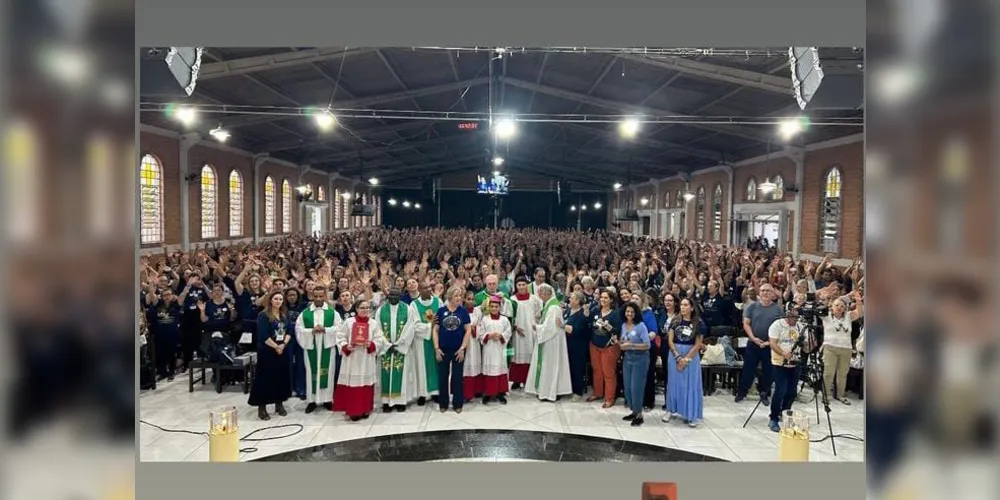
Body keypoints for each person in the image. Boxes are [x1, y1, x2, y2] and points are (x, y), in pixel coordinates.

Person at [334, 299, 388, 421]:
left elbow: (380, 339)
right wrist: (346, 346)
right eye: (362, 307)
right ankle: (353, 411)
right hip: (352, 358)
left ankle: (365, 409)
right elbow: (340, 337)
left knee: (366, 383)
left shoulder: (374, 323)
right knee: (353, 383)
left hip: (366, 358)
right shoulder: (349, 322)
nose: (365, 310)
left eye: (367, 307)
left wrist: (372, 344)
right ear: (356, 309)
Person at [294, 284, 341, 414]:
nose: (319, 299)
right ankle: (312, 400)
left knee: (328, 372)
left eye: (321, 296)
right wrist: (312, 331)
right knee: (311, 373)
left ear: (325, 296)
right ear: (312, 296)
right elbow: (298, 330)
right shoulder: (305, 313)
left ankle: (327, 400)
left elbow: (340, 328)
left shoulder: (333, 313)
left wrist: (325, 329)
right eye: (316, 296)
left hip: (327, 347)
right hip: (311, 348)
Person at [248, 290, 293, 421]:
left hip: (282, 350)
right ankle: (262, 407)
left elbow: (289, 330)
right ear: (270, 300)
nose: (278, 301)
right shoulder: (263, 315)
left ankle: (279, 404)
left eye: (280, 299)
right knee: (265, 379)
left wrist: (283, 344)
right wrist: (276, 346)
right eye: (275, 299)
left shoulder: (285, 314)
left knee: (281, 378)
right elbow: (263, 335)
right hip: (268, 351)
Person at [663, 297, 707, 427]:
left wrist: (686, 359)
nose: (683, 307)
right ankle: (670, 410)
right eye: (681, 305)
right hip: (675, 353)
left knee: (690, 384)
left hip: (691, 356)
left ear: (692, 308)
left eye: (686, 305)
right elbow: (670, 340)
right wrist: (677, 357)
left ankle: (691, 414)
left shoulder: (699, 323)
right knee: (673, 383)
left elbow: (698, 344)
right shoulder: (675, 321)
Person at [735, 284, 783, 405]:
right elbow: (746, 324)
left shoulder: (778, 310)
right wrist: (753, 338)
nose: (765, 293)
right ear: (759, 293)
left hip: (770, 345)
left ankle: (764, 394)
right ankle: (742, 392)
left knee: (768, 371)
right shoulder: (752, 307)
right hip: (753, 343)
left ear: (773, 294)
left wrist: (769, 342)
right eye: (763, 290)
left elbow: (781, 328)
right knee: (748, 370)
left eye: (768, 290)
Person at [526, 284, 572, 402]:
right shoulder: (550, 305)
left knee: (550, 365)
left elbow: (551, 327)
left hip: (551, 341)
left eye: (541, 293)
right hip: (550, 340)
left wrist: (536, 327)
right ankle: (547, 390)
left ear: (548, 293)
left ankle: (550, 392)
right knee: (549, 365)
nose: (539, 295)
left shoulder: (553, 307)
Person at [376, 286, 418, 412]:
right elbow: (377, 328)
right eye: (391, 295)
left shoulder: (408, 309)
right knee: (384, 374)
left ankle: (401, 401)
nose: (393, 297)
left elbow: (411, 327)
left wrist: (399, 344)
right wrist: (387, 344)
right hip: (386, 349)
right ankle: (386, 402)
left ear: (400, 296)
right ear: (388, 296)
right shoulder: (381, 310)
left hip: (401, 348)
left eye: (396, 295)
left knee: (403, 374)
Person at [433, 287, 472, 413]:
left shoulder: (463, 312)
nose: (459, 298)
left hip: (458, 350)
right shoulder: (440, 311)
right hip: (443, 350)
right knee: (443, 376)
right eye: (456, 296)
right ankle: (443, 403)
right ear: (449, 297)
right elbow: (435, 330)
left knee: (457, 377)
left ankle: (457, 403)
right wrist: (436, 348)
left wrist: (462, 348)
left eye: (460, 296)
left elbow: (468, 331)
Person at [821, 294, 864, 405]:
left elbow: (859, 313)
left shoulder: (848, 316)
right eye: (836, 305)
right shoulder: (826, 315)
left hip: (846, 348)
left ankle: (840, 395)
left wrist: (858, 301)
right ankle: (826, 395)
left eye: (842, 306)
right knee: (828, 373)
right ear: (832, 306)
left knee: (843, 373)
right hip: (830, 347)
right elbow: (819, 306)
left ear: (845, 308)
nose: (839, 307)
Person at [767, 308, 803, 432]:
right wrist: (783, 353)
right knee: (780, 390)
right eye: (792, 316)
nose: (794, 319)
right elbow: (772, 343)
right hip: (779, 362)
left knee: (792, 391)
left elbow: (807, 344)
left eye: (796, 317)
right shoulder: (777, 325)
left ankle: (785, 412)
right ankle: (773, 418)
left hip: (795, 362)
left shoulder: (801, 327)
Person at [408, 283, 441, 405]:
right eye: (425, 288)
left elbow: (443, 318)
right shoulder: (414, 305)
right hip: (421, 342)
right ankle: (422, 394)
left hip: (437, 339)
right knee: (421, 366)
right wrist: (429, 326)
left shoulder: (438, 301)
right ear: (420, 290)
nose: (428, 290)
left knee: (436, 366)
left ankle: (436, 392)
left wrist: (436, 327)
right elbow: (414, 325)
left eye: (429, 288)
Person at [620, 302, 652, 426]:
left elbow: (647, 345)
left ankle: (639, 414)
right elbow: (624, 341)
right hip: (627, 358)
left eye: (632, 312)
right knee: (628, 387)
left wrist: (631, 345)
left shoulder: (641, 326)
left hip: (640, 359)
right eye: (627, 311)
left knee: (636, 388)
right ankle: (633, 411)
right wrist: (620, 343)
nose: (629, 314)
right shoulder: (623, 325)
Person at [589, 289, 621, 408]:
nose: (603, 299)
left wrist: (607, 326)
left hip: (608, 347)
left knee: (608, 373)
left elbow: (617, 331)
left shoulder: (615, 314)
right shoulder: (595, 311)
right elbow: (589, 324)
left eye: (606, 298)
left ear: (611, 300)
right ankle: (598, 393)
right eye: (601, 297)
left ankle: (609, 398)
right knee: (597, 370)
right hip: (594, 345)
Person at [478, 295, 512, 404]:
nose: (494, 309)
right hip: (489, 349)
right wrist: (489, 336)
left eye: (496, 306)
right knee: (489, 370)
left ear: (499, 307)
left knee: (500, 369)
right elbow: (481, 333)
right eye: (492, 306)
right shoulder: (485, 319)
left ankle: (500, 393)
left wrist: (501, 336)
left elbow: (508, 332)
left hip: (500, 348)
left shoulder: (504, 319)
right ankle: (488, 393)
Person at [510, 277, 541, 389]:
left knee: (530, 354)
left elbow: (538, 315)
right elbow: (509, 317)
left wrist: (535, 326)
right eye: (519, 285)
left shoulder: (534, 299)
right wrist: (515, 327)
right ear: (516, 286)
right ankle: (517, 380)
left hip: (531, 332)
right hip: (517, 332)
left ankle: (529, 379)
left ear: (527, 286)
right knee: (517, 355)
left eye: (524, 284)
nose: (522, 287)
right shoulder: (512, 299)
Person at [148, 288, 182, 381]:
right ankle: (162, 373)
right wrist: (151, 285)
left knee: (171, 353)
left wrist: (188, 286)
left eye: (168, 295)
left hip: (172, 334)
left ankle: (171, 372)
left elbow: (183, 296)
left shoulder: (176, 305)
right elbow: (152, 295)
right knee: (160, 354)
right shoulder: (158, 304)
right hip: (160, 334)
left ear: (172, 296)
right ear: (162, 297)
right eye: (164, 295)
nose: (167, 297)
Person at [563, 292, 591, 401]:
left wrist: (562, 326)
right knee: (569, 367)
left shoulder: (581, 314)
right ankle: (569, 388)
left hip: (578, 346)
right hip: (568, 344)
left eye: (572, 298)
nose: (569, 299)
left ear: (578, 301)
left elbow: (576, 330)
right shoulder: (568, 311)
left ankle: (578, 392)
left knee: (577, 368)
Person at [285, 287, 308, 399]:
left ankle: (301, 389)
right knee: (287, 363)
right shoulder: (282, 307)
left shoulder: (303, 306)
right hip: (287, 338)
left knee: (300, 363)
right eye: (289, 295)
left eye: (294, 295)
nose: (292, 297)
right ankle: (288, 389)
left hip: (300, 337)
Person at [462, 290, 485, 402]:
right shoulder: (460, 311)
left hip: (474, 342)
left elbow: (481, 325)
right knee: (466, 365)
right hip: (464, 341)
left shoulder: (478, 311)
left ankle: (477, 390)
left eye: (472, 299)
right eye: (468, 299)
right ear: (464, 299)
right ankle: (466, 392)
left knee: (475, 363)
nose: (470, 301)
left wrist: (475, 329)